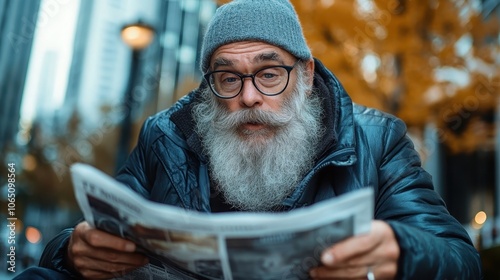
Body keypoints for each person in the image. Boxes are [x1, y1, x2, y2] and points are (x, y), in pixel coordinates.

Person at [16, 0, 482, 279]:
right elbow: (96, 236)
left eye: (269, 73)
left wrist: (401, 250)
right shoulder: (164, 138)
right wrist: (70, 252)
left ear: (306, 73)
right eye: (228, 78)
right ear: (209, 85)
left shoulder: (376, 140)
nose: (249, 96)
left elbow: (460, 260)